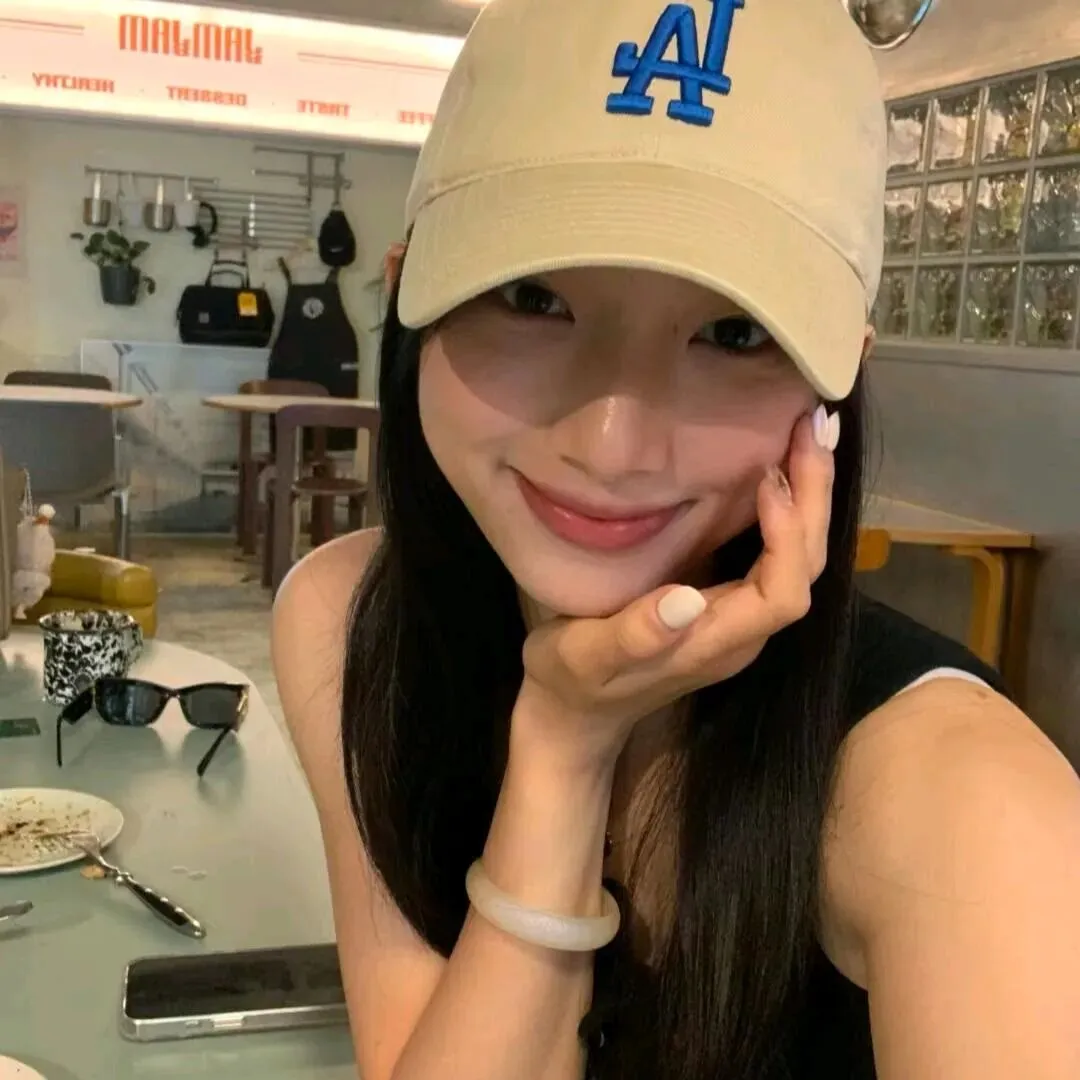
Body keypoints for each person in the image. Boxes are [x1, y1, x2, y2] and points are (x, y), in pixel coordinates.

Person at [272, 1, 1080, 1078]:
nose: (612, 443)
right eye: (532, 296)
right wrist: (564, 746)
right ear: (408, 289)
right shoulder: (349, 621)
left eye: (733, 333)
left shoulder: (965, 807)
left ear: (839, 379)